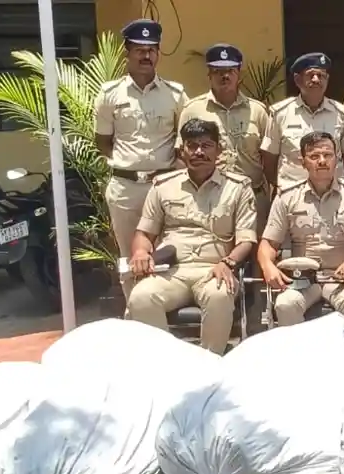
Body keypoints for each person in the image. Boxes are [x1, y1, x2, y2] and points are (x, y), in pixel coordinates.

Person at [125, 119, 257, 355]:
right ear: (182, 151)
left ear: (218, 150)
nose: (199, 152)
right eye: (192, 146)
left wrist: (228, 262)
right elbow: (144, 232)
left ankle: (210, 362)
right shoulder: (163, 186)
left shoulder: (238, 187)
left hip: (214, 269)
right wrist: (141, 251)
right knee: (141, 297)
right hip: (172, 271)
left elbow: (246, 240)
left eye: (206, 145)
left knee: (219, 295)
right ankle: (167, 362)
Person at [94, 18, 188, 298]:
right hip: (126, 189)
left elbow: (182, 141)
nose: (146, 56)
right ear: (128, 52)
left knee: (167, 253)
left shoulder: (175, 94)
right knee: (129, 256)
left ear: (158, 54)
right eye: (139, 50)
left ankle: (160, 309)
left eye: (152, 50)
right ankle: (134, 311)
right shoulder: (110, 94)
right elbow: (103, 142)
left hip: (164, 186)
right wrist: (132, 166)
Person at [257, 132, 344, 328]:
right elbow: (268, 243)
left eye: (328, 155)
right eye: (314, 156)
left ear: (337, 158)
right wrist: (268, 266)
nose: (322, 161)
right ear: (303, 162)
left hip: (342, 279)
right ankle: (296, 349)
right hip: (301, 280)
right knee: (285, 304)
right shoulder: (287, 197)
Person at [180, 43, 277, 229]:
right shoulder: (192, 110)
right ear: (209, 74)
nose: (224, 76)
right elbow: (182, 155)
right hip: (210, 197)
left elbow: (269, 156)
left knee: (254, 245)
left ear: (239, 74)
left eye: (230, 71)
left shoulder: (257, 111)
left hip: (253, 197)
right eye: (218, 71)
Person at [265, 53, 344, 189]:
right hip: (293, 193)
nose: (316, 80)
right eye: (310, 75)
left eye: (321, 75)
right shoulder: (279, 114)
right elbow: (269, 157)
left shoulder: (343, 114)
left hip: (333, 193)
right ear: (297, 80)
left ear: (327, 80)